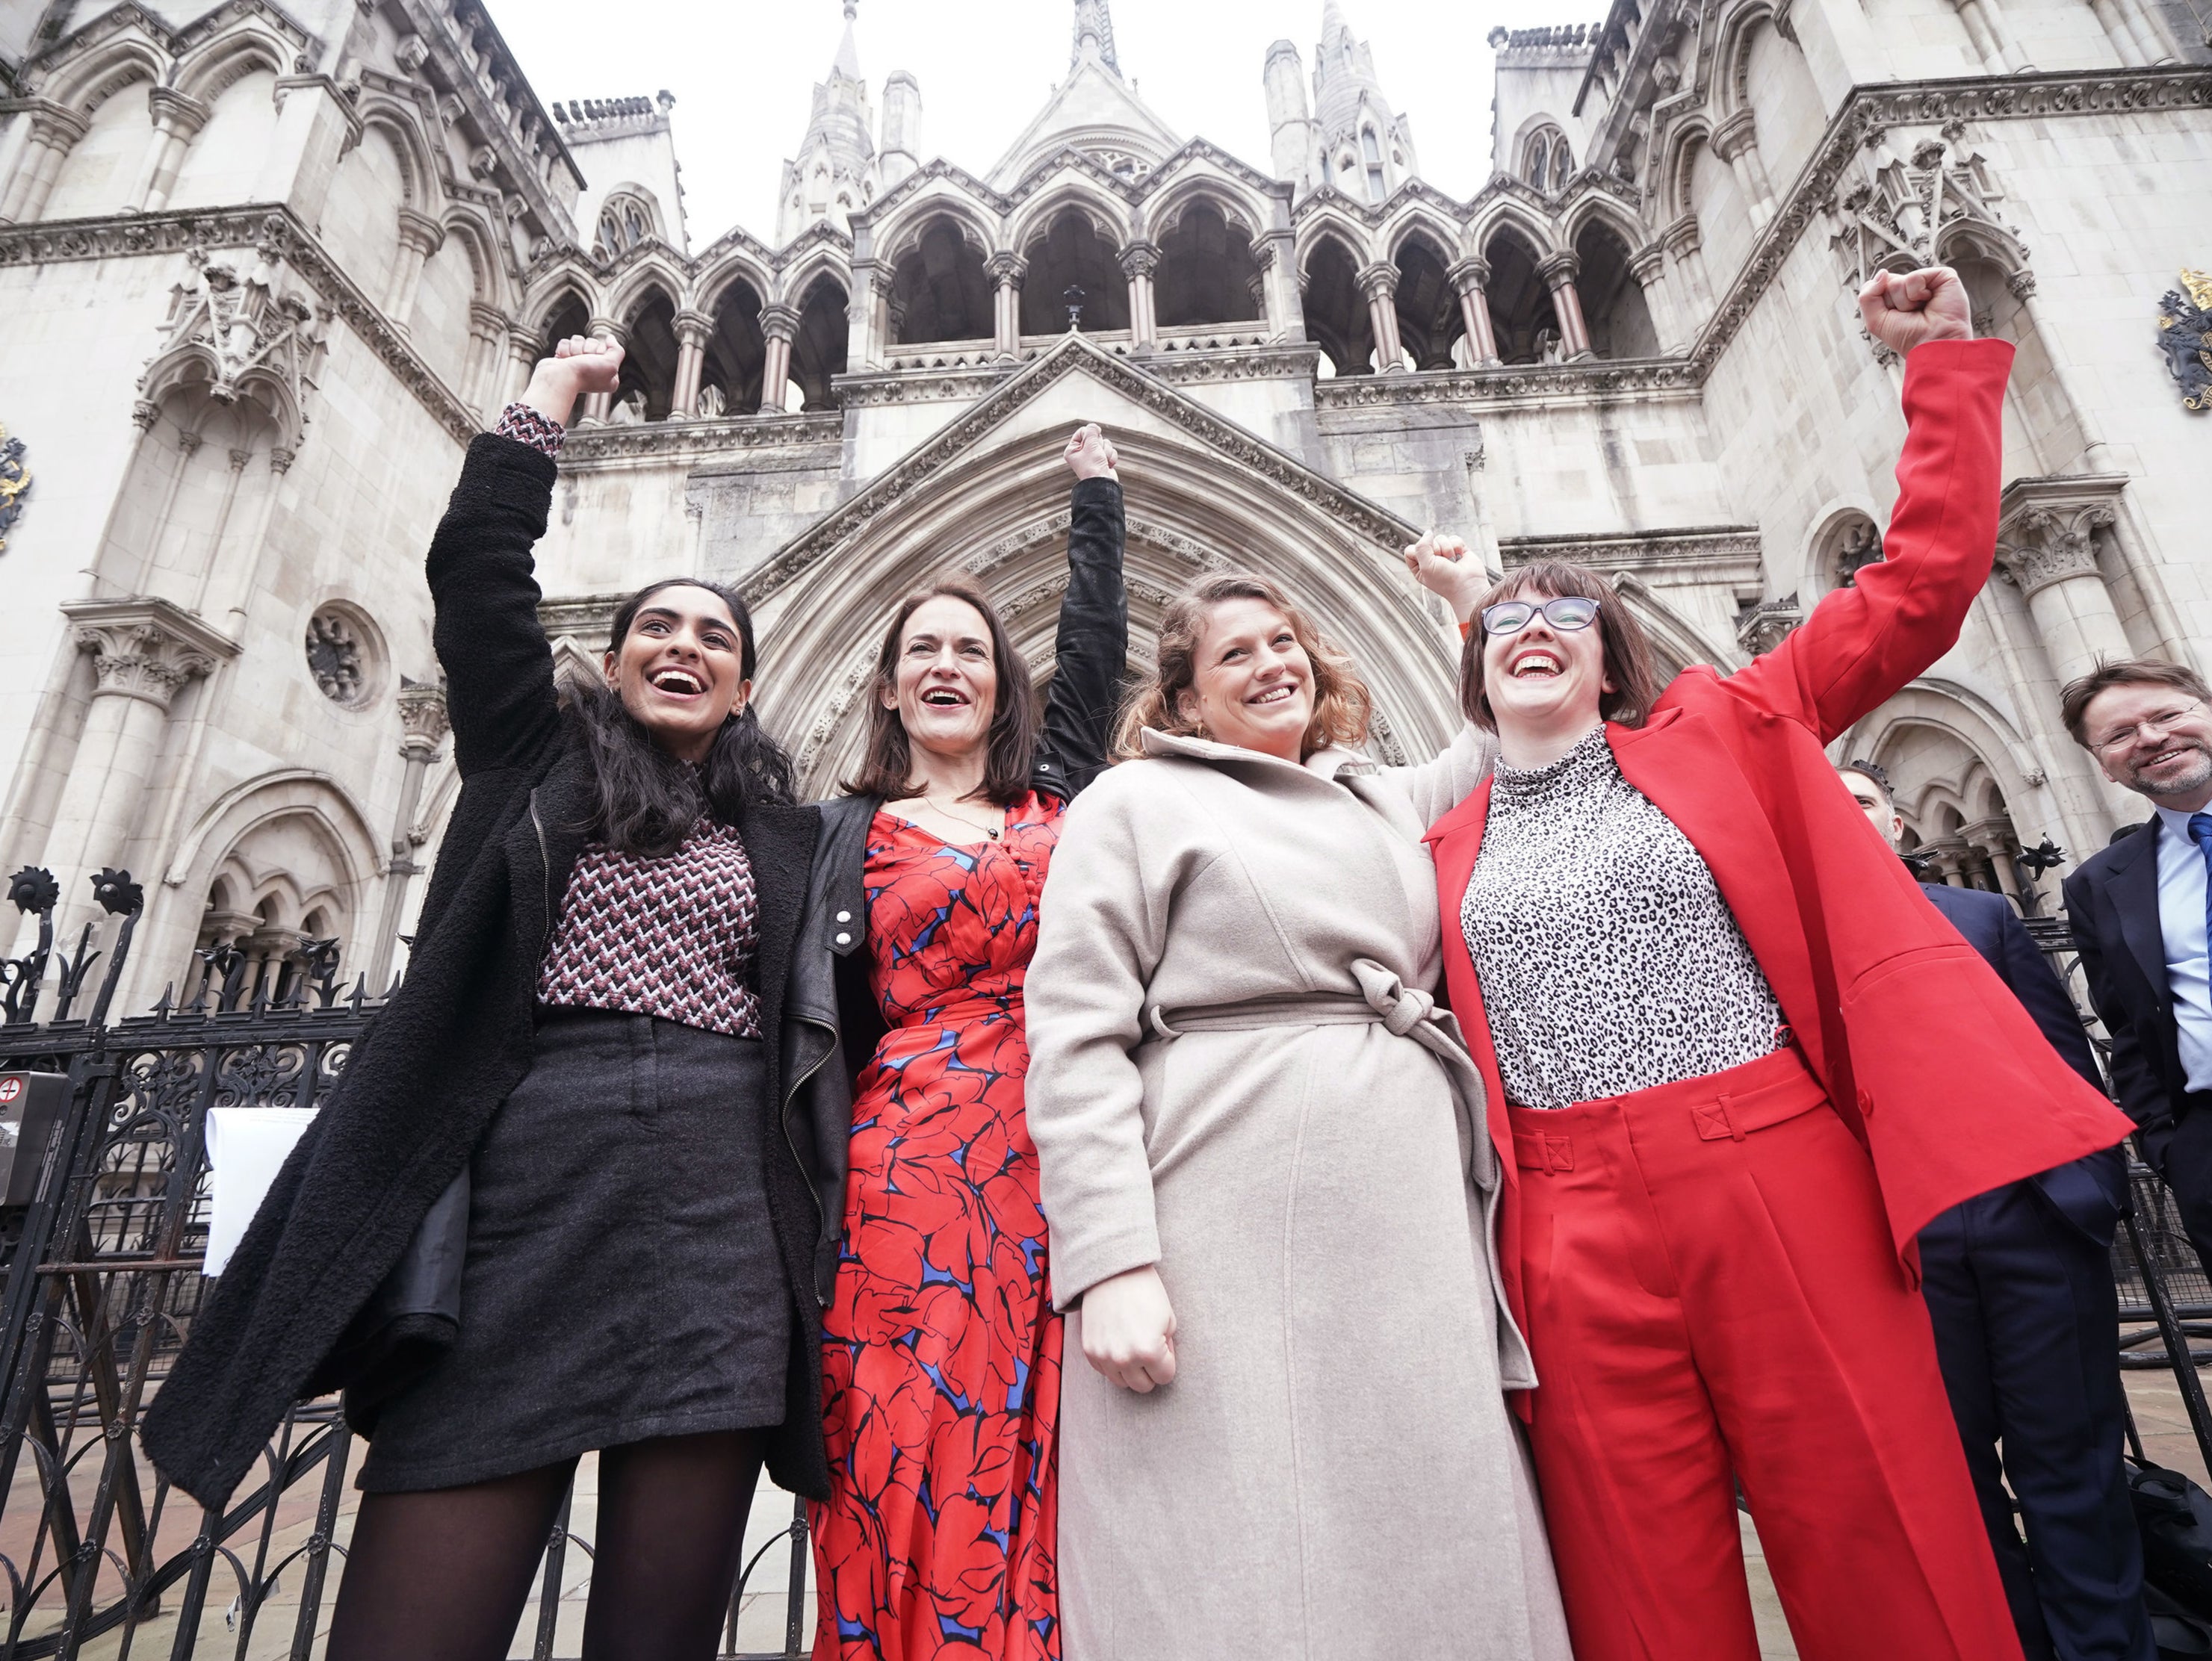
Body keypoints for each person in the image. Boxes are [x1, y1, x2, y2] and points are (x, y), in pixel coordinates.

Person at [1422, 266, 2133, 1661]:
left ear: (1612, 656)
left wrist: (1937, 364)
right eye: (1504, 626)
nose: (1532, 632)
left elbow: (1921, 586)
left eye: (1564, 616)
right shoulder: (1437, 833)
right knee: (1639, 1590)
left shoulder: (1725, 725)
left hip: (1768, 1156)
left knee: (1883, 1535)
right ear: (1471, 667)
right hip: (1563, 1216)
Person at [144, 335, 837, 1661]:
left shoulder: (790, 835)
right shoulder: (534, 754)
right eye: (656, 627)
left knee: (658, 1632)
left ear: (747, 682)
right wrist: (548, 407)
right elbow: (475, 575)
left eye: (713, 634)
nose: (682, 645)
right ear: (618, 659)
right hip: (522, 1190)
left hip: (718, 1223)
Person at [1020, 564, 1572, 1661]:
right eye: (1236, 654)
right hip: (1217, 1190)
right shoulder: (1131, 801)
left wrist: (1473, 599)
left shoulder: (1376, 793)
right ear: (1180, 701)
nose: (1273, 665)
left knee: (1425, 1507)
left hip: (1406, 1204)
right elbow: (1076, 1033)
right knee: (1234, 1531)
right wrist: (1109, 1259)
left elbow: (1502, 723)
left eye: (1285, 643)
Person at [796, 424, 1127, 1659]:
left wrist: (1097, 499)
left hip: (1053, 1147)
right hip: (902, 1166)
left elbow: (1094, 647)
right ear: (886, 686)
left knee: (1040, 1447)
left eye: (971, 650)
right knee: (895, 1440)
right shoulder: (835, 830)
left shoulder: (1056, 798)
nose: (946, 665)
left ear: (1002, 682)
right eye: (920, 649)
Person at [1839, 759, 2150, 1661]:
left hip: (2032, 1220)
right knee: (1953, 1487)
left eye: (1859, 801)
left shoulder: (1982, 915)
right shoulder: (1778, 938)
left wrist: (2090, 1192)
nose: (1843, 816)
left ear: (1897, 824)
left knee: (2076, 1474)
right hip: (1899, 1249)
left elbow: (2063, 1055)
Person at [2060, 660, 2212, 1273]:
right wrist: (2170, 1147)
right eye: (2120, 735)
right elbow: (2125, 1028)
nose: (2149, 739)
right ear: (2103, 764)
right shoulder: (2098, 885)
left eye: (2168, 715)